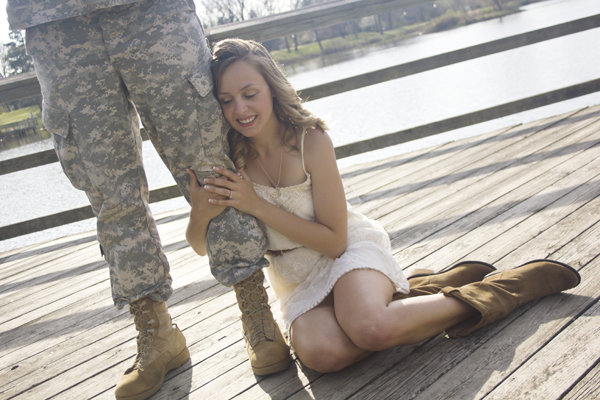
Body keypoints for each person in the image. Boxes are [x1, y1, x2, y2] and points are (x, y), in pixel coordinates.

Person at [186, 38, 581, 373]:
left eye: (249, 94)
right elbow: (204, 247)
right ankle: (423, 292)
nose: (240, 110)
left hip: (346, 254)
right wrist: (201, 213)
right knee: (322, 354)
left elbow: (336, 242)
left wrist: (257, 205)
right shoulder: (229, 159)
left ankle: (503, 290)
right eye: (227, 100)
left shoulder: (310, 141)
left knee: (370, 328)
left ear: (270, 88)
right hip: (296, 280)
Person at [6, 1, 290, 399]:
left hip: (151, 13)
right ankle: (157, 333)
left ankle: (254, 309)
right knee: (109, 191)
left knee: (208, 166)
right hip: (55, 23)